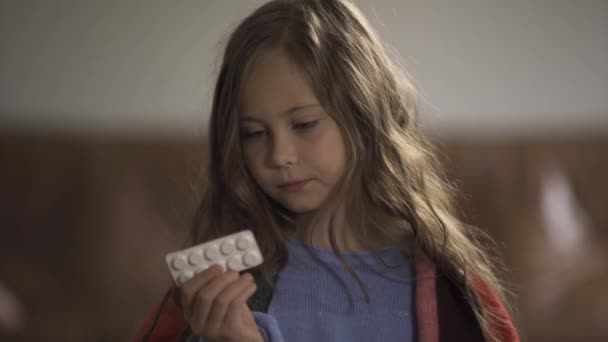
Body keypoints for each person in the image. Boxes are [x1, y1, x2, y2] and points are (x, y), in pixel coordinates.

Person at [132, 0, 519, 341]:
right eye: (253, 133)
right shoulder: (221, 286)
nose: (279, 155)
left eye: (304, 125)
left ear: (362, 114)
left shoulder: (447, 292)